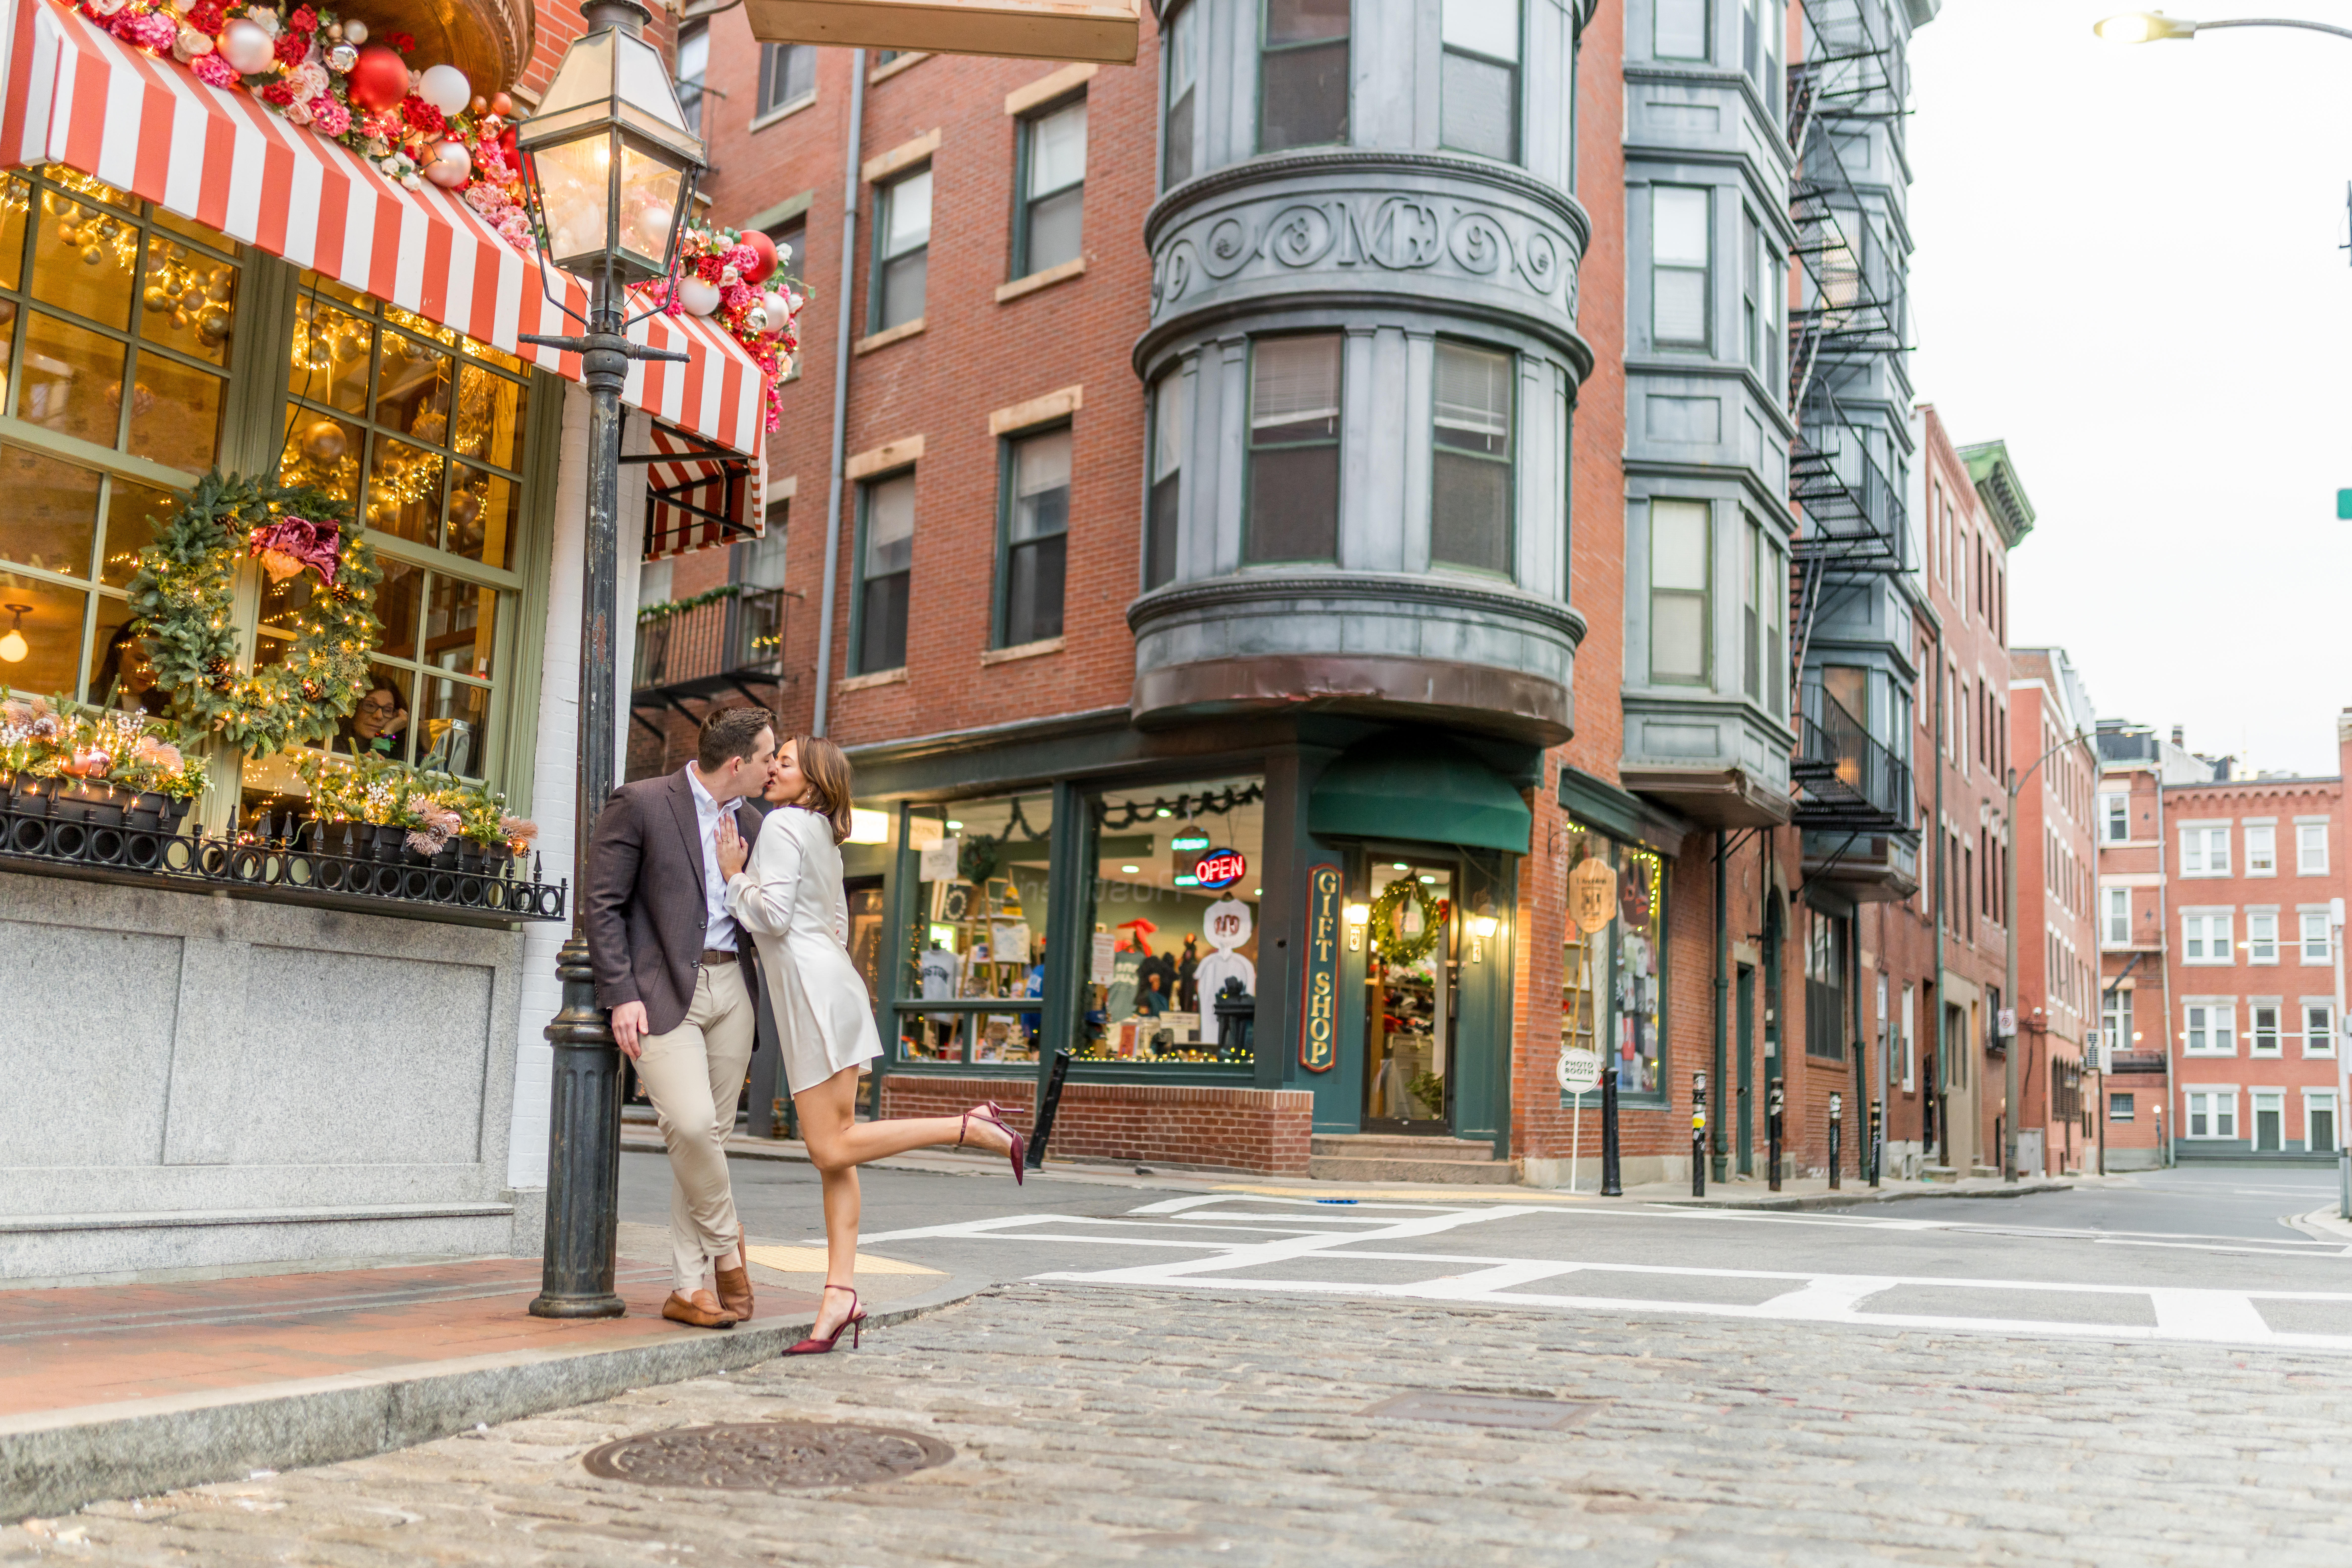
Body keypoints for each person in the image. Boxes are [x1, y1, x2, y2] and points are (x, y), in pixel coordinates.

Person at [718, 734, 1024, 1355]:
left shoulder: (781, 827)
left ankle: (965, 1126)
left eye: (786, 762)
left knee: (829, 1146)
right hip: (832, 986)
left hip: (812, 997)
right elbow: (836, 924)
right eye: (773, 760)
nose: (774, 768)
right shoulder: (825, 838)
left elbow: (772, 918)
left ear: (814, 781)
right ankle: (839, 1295)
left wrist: (732, 878)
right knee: (840, 1158)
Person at [585, 706, 777, 1330]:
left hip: (733, 989)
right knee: (691, 1127)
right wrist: (621, 991)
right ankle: (728, 1250)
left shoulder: (753, 821)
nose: (774, 767)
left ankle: (688, 1289)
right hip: (663, 989)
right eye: (768, 757)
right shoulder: (642, 802)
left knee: (708, 1144)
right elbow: (603, 905)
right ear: (736, 762)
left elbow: (758, 914)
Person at [335, 679, 409, 759]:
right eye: (370, 706)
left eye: (388, 710)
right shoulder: (330, 742)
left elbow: (377, 768)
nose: (379, 716)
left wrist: (387, 732)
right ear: (353, 707)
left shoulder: (400, 752)